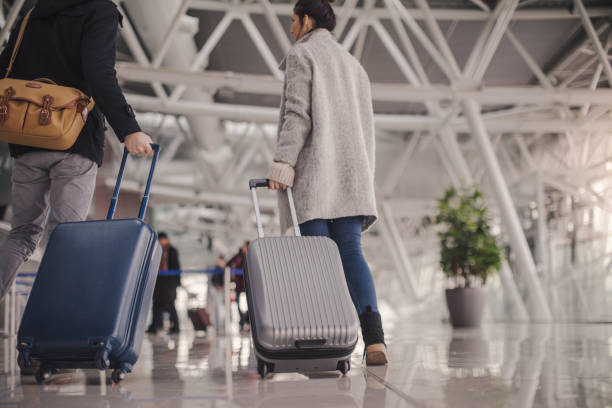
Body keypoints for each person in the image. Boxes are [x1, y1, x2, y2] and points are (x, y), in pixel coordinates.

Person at [0, 0, 154, 300]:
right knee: (66, 233)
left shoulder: (33, 10)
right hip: (74, 137)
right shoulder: (100, 10)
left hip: (26, 137)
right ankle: (56, 320)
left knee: (22, 233)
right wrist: (129, 129)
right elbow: (99, 73)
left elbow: (5, 66)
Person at [266, 0, 388, 365]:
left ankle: (327, 341)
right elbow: (368, 131)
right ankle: (374, 340)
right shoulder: (355, 67)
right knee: (350, 252)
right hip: (351, 176)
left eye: (293, 21)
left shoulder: (304, 55)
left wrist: (284, 160)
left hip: (316, 176)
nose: (290, 29)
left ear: (307, 20)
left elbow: (297, 114)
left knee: (317, 258)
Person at [147, 232, 181, 334]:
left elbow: (176, 266)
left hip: (169, 282)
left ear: (165, 239)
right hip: (159, 281)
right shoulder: (157, 250)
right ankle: (154, 326)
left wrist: (177, 282)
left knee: (170, 304)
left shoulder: (172, 251)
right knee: (156, 304)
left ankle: (176, 327)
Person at [228, 241, 250, 331]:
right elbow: (229, 263)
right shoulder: (238, 256)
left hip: (248, 284)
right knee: (238, 303)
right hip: (239, 284)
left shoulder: (250, 256)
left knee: (250, 304)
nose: (244, 248)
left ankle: (247, 320)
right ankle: (242, 320)